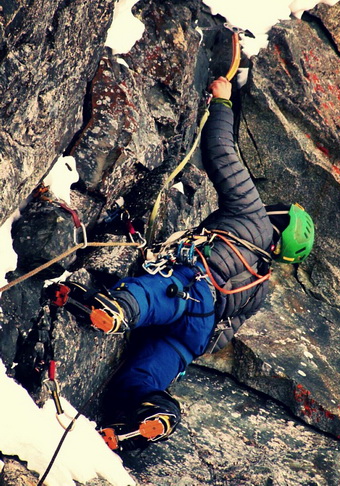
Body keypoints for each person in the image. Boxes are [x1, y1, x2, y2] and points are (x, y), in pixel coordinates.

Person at [49, 77, 314, 452]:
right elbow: (225, 332)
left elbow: (223, 154)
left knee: (153, 293)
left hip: (190, 288)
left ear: (281, 221)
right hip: (190, 339)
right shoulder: (261, 286)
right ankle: (148, 417)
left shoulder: (253, 215)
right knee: (141, 381)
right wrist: (188, 348)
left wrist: (222, 102)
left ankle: (118, 309)